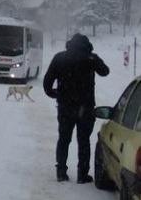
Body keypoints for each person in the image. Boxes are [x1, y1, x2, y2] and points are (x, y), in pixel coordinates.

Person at [43, 33, 110, 183]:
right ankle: (82, 174)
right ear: (87, 46)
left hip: (65, 107)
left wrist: (54, 94)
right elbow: (105, 72)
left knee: (64, 140)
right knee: (84, 141)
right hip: (85, 108)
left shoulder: (59, 58)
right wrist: (92, 58)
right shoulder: (91, 58)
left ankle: (61, 171)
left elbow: (47, 81)